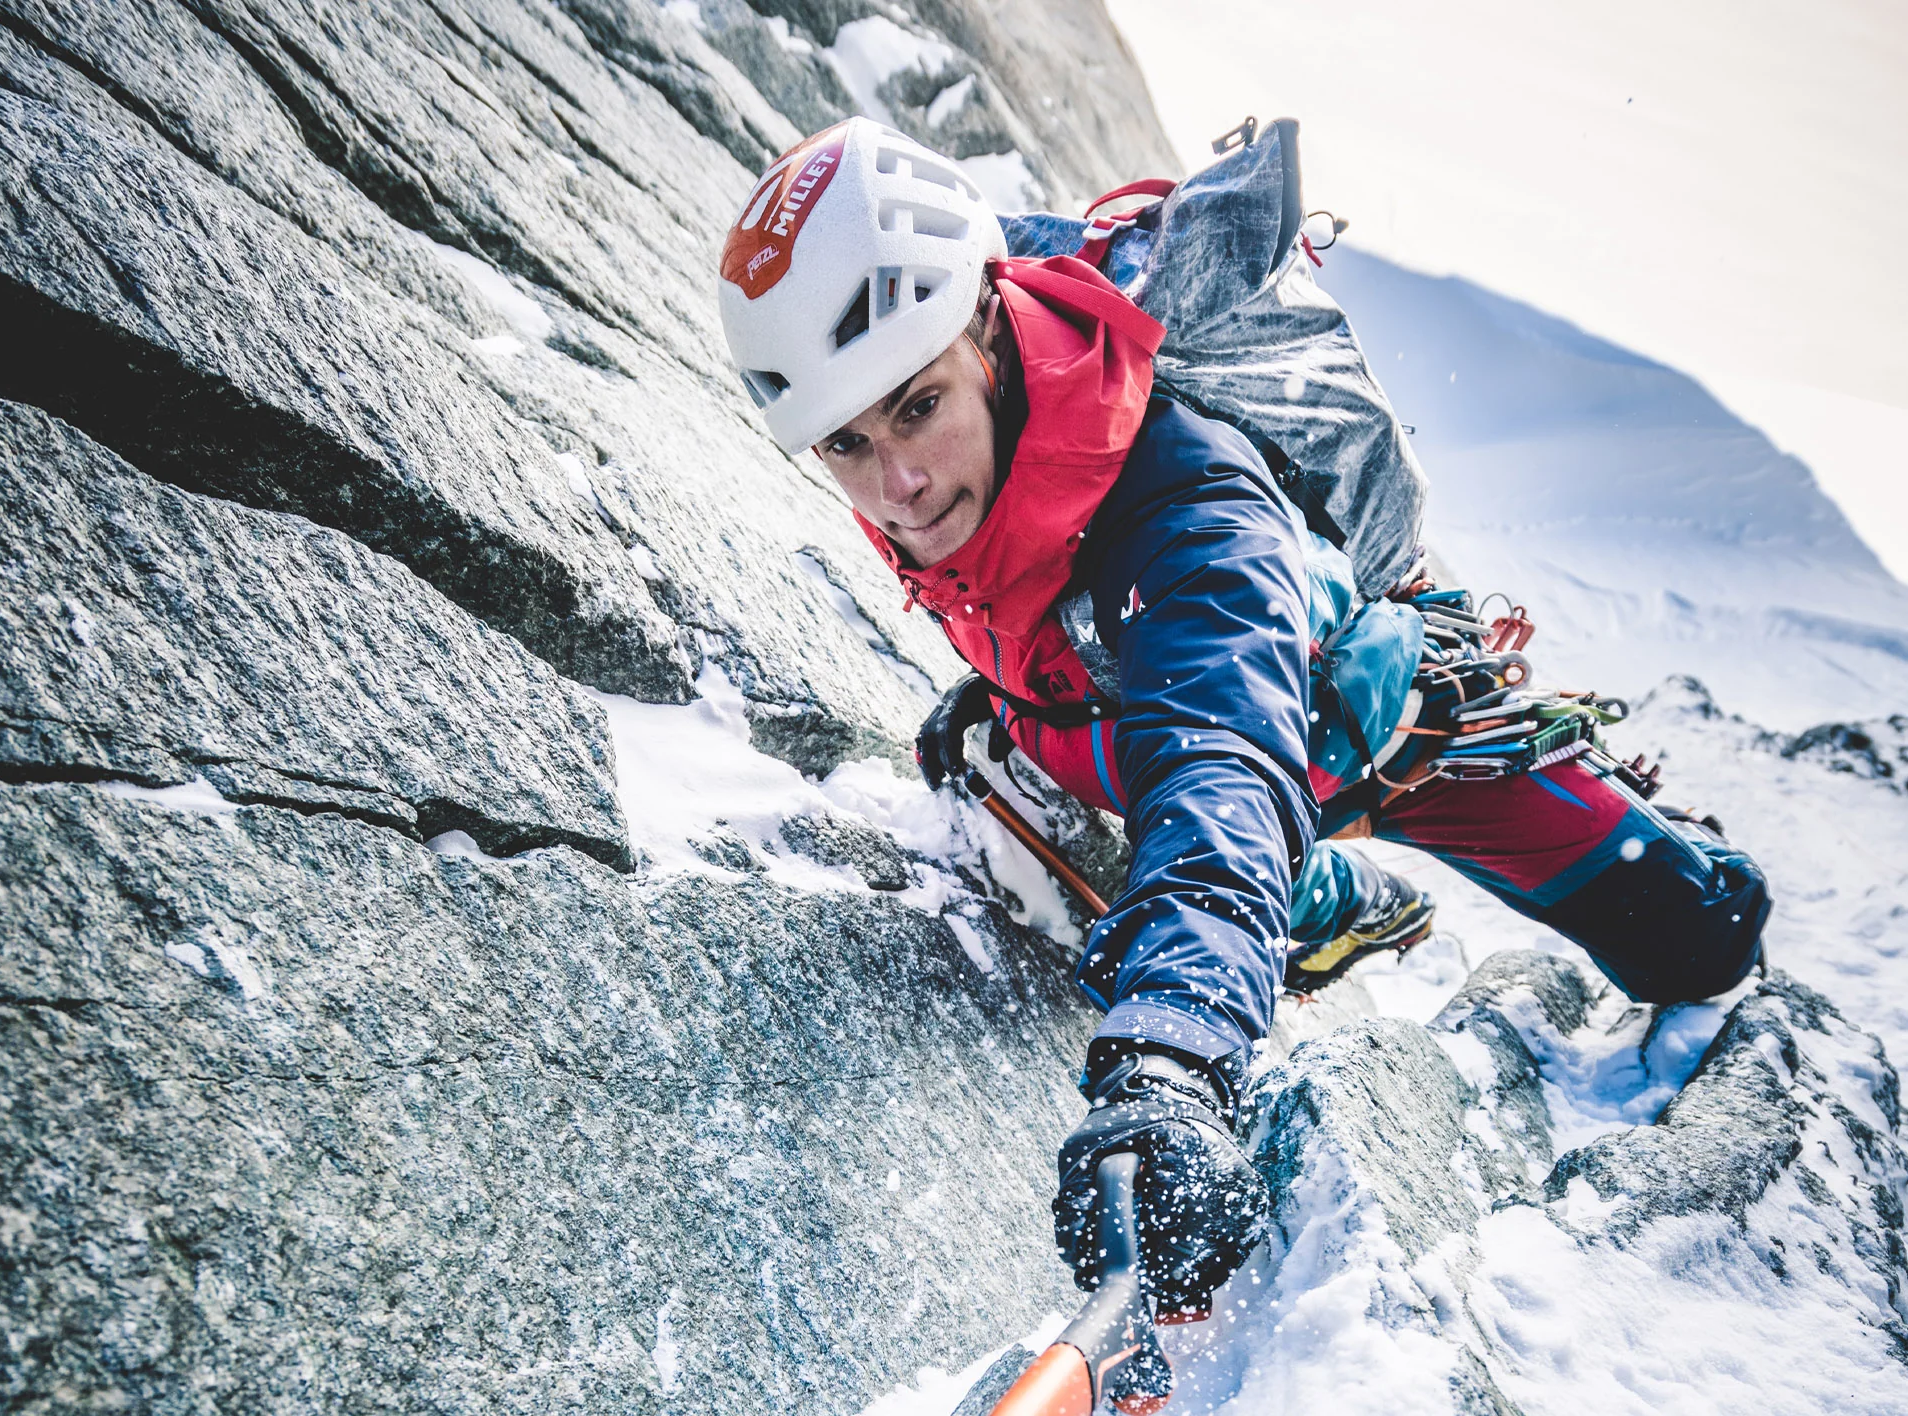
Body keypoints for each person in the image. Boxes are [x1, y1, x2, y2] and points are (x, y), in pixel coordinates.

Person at [715, 118, 1771, 1315]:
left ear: (990, 334)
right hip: (1141, 711)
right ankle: (1320, 903)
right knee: (999, 758)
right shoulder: (949, 436)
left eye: (918, 409)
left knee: (1696, 940)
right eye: (847, 443)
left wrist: (1172, 1059)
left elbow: (1223, 767)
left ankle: (1571, 872)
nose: (896, 485)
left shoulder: (1192, 509)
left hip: (1365, 724)